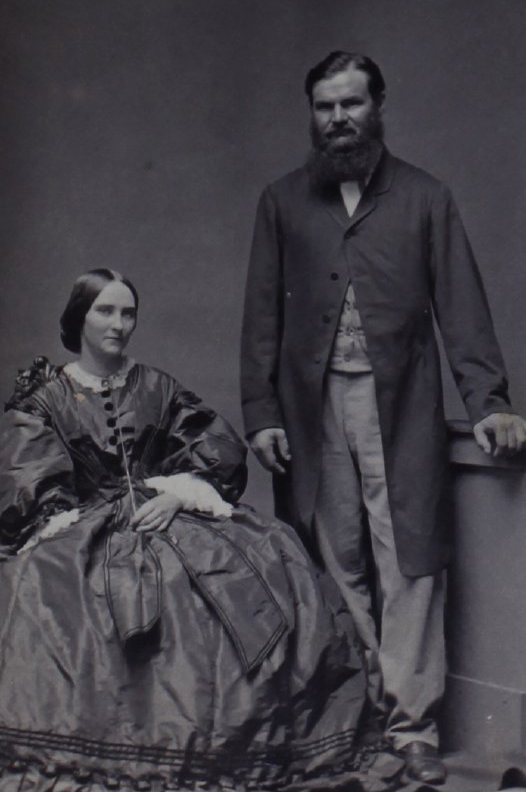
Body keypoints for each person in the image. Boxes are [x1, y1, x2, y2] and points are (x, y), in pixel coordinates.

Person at [0, 268, 407, 792]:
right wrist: (95, 522)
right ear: (79, 316)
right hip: (85, 527)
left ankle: (235, 744)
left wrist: (175, 494)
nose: (119, 324)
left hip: (170, 513)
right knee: (61, 591)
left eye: (128, 313)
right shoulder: (46, 397)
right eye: (106, 310)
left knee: (266, 559)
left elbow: (216, 447)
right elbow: (31, 480)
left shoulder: (157, 386)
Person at [240, 51, 526, 785]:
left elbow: (462, 307)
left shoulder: (427, 198)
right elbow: (262, 318)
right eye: (325, 107)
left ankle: (414, 729)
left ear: (379, 106)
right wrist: (262, 411)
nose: (338, 119)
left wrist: (489, 402)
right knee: (331, 559)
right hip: (311, 412)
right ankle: (360, 717)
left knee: (410, 561)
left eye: (351, 104)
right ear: (313, 114)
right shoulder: (281, 202)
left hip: (403, 406)